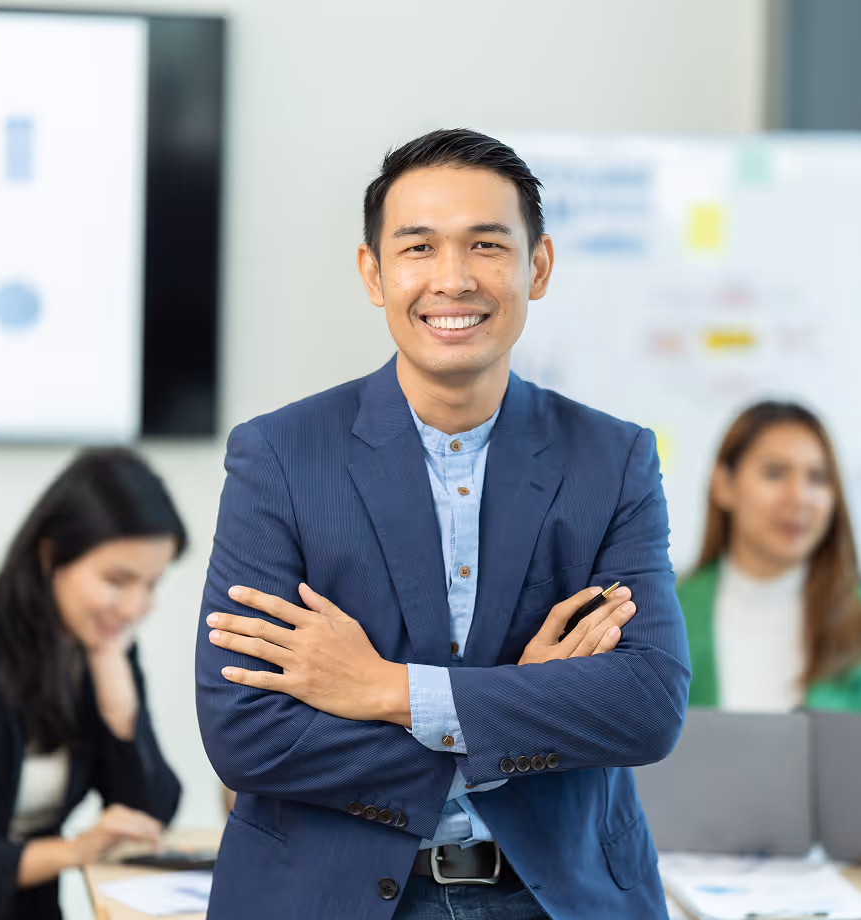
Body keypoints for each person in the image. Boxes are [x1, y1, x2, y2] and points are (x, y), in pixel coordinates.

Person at [196, 129, 690, 919]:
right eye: (419, 247)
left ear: (539, 266)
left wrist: (381, 689)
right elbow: (245, 729)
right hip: (329, 899)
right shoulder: (280, 458)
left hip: (551, 897)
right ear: (374, 272)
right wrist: (521, 707)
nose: (453, 280)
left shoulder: (613, 459)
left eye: (487, 245)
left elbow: (646, 704)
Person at [0, 449, 184, 920]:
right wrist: (72, 851)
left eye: (152, 585)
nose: (134, 608)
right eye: (118, 580)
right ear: (52, 556)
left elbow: (147, 818)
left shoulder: (103, 651)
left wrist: (121, 715)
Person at [676, 401, 861, 722]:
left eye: (818, 478)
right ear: (723, 485)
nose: (799, 497)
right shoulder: (666, 610)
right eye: (775, 473)